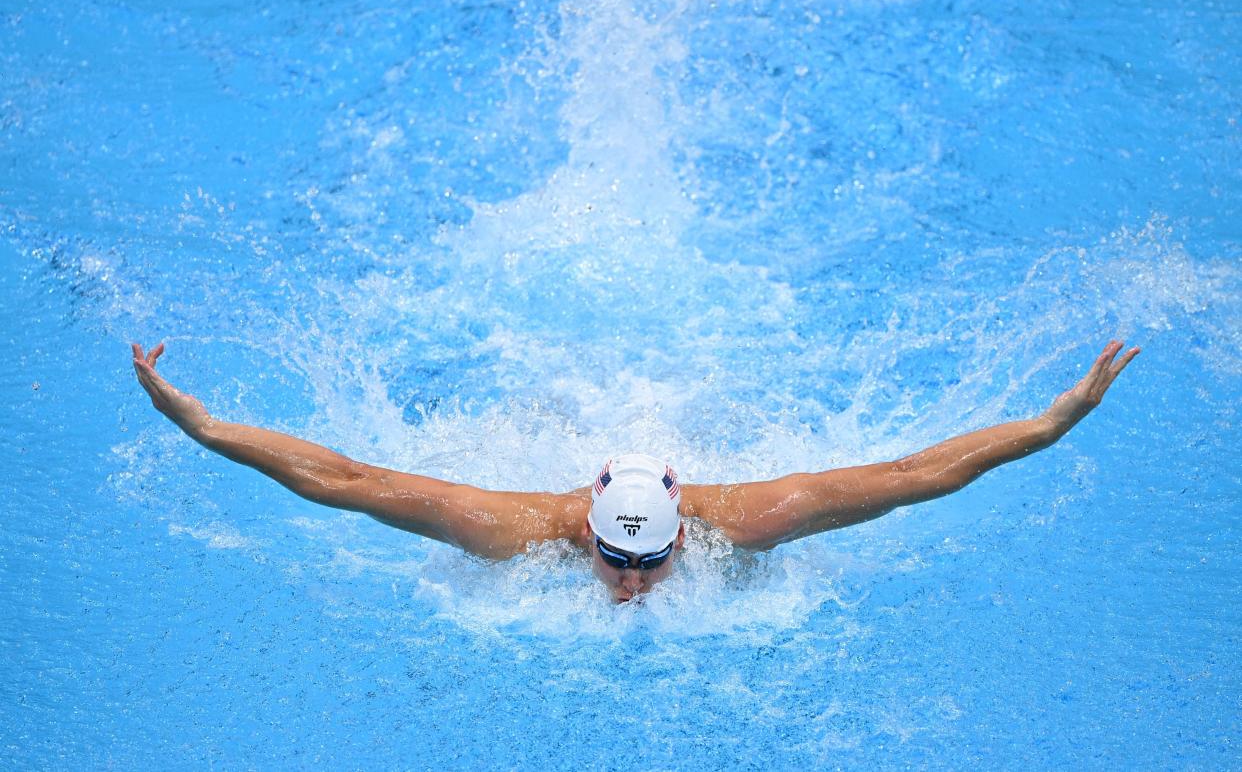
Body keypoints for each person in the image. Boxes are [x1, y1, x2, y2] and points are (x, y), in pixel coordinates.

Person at [131, 339, 1139, 603]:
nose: (631, 585)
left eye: (649, 568)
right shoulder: (512, 526)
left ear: (682, 536)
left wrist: (1054, 422)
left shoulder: (749, 519)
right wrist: (203, 422)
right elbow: (345, 480)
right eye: (619, 561)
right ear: (585, 529)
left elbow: (918, 472)